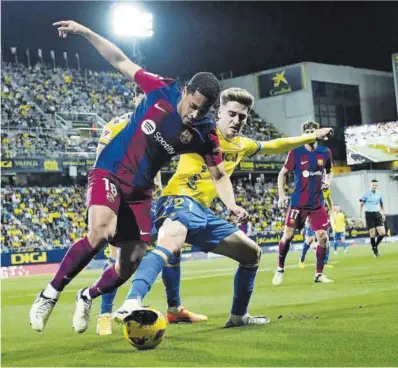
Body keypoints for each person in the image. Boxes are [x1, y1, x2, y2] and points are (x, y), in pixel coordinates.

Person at [30, 20, 244, 334]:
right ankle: (49, 294)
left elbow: (219, 174)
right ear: (184, 92)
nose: (195, 115)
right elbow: (119, 59)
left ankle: (87, 295)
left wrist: (232, 204)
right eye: (193, 106)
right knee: (101, 231)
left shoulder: (205, 132)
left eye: (203, 111)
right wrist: (86, 32)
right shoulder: (160, 88)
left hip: (141, 192)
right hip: (110, 171)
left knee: (131, 261)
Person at [112, 88, 334, 328]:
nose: (237, 120)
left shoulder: (243, 145)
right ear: (219, 111)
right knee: (171, 243)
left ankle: (238, 316)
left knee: (252, 253)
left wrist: (310, 137)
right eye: (232, 114)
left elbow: (277, 144)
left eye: (243, 116)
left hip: (203, 211)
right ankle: (132, 301)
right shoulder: (199, 129)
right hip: (177, 199)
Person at [95, 112, 206, 336]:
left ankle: (175, 309)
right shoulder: (118, 125)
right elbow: (100, 162)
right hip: (123, 199)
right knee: (117, 256)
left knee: (171, 247)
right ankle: (104, 315)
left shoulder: (159, 126)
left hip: (149, 199)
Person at [273, 121, 334, 285]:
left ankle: (319, 274)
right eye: (306, 131)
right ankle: (279, 268)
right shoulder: (296, 152)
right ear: (303, 134)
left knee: (323, 237)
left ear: (317, 133)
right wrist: (281, 195)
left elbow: (329, 171)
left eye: (312, 131)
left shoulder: (325, 152)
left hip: (317, 203)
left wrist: (328, 181)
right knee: (288, 236)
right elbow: (282, 174)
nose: (309, 133)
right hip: (298, 203)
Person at [360, 179, 386, 257]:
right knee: (372, 233)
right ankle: (375, 252)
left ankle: (374, 246)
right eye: (373, 185)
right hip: (369, 214)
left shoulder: (379, 194)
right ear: (370, 185)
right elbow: (361, 205)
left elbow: (381, 204)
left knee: (382, 233)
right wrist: (360, 216)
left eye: (376, 185)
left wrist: (383, 213)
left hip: (377, 214)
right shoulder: (366, 194)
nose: (375, 186)